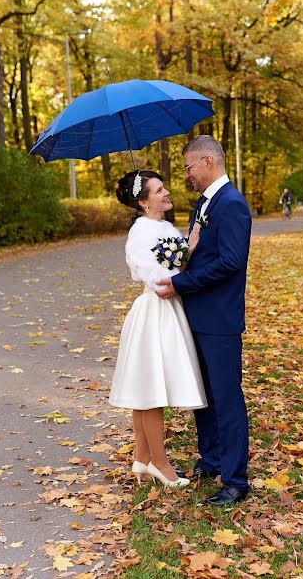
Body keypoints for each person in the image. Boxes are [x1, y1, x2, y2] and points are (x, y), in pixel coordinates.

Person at [156, 135, 252, 506]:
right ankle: (211, 459)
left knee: (226, 398)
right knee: (204, 396)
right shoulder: (203, 205)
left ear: (208, 162)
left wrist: (182, 283)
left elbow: (230, 262)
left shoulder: (232, 205)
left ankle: (235, 479)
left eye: (188, 167)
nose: (186, 175)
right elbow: (199, 254)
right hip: (196, 315)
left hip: (220, 319)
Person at [110, 170, 206, 489]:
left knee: (147, 388)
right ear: (143, 202)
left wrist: (189, 247)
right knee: (151, 389)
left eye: (164, 187)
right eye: (158, 190)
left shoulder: (165, 226)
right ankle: (161, 465)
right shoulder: (139, 232)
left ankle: (142, 456)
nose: (166, 193)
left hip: (171, 309)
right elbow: (152, 275)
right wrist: (175, 270)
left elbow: (177, 265)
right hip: (154, 310)